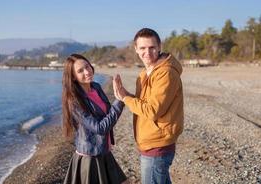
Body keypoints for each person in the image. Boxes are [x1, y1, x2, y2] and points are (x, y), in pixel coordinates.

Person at [113, 28, 184, 184]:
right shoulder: (144, 74)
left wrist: (125, 98)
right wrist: (126, 94)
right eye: (143, 48)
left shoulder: (166, 73)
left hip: (157, 144)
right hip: (150, 142)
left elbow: (152, 111)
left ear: (159, 47)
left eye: (152, 47)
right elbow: (145, 104)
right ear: (136, 49)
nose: (148, 52)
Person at [62, 54, 127, 184]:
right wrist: (119, 101)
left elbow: (108, 114)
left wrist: (122, 96)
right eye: (80, 71)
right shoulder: (74, 100)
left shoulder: (96, 87)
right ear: (73, 76)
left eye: (87, 66)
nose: (87, 72)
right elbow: (99, 128)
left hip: (104, 149)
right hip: (90, 156)